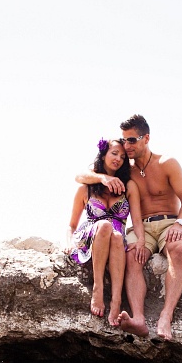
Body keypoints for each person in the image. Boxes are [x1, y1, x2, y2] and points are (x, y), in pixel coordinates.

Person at [75, 114, 182, 340]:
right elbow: (80, 176)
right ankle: (138, 319)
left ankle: (165, 317)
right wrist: (102, 179)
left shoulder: (167, 163)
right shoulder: (124, 168)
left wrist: (180, 222)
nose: (126, 145)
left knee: (178, 250)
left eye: (132, 140)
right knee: (130, 256)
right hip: (142, 227)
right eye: (124, 140)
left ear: (146, 138)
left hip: (170, 222)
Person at [67, 137, 144, 326]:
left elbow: (137, 219)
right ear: (104, 154)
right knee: (105, 226)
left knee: (117, 235)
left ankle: (116, 300)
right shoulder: (86, 187)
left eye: (123, 156)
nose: (118, 158)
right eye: (114, 153)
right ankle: (98, 288)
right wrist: (68, 243)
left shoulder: (129, 186)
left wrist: (141, 240)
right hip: (91, 236)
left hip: (116, 240)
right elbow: (71, 225)